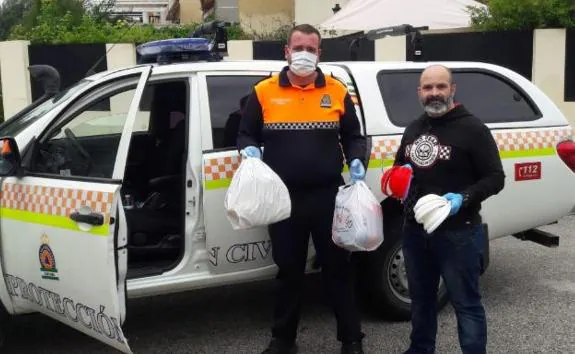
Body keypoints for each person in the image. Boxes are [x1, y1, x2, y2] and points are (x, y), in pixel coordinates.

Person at [237, 24, 368, 354]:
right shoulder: (264, 91)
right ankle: (283, 339)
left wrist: (356, 159)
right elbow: (245, 133)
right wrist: (249, 149)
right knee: (288, 271)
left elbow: (353, 135)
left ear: (319, 53)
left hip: (328, 196)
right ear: (287, 51)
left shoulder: (336, 91)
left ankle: (351, 340)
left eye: (311, 49)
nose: (304, 55)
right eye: (299, 48)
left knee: (338, 269)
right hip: (283, 199)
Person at [394, 64, 505, 354]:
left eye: (440, 86)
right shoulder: (414, 128)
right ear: (419, 92)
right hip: (416, 232)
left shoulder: (473, 129)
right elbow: (400, 168)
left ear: (452, 89)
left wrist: (463, 198)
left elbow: (495, 178)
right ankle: (420, 349)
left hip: (459, 232)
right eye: (428, 88)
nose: (434, 93)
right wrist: (397, 179)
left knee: (465, 303)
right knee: (421, 300)